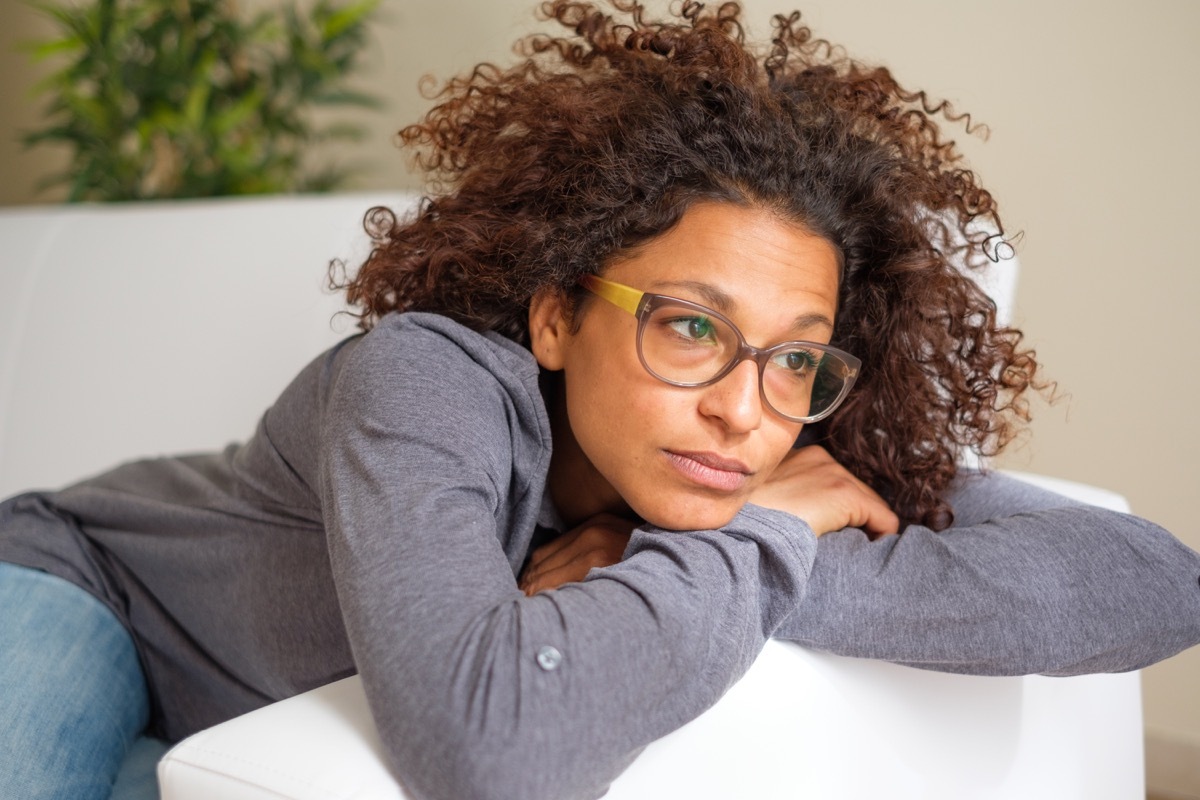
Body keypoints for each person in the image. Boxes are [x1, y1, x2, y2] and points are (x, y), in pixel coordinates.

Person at [2, 1, 1198, 799]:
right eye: (692, 325)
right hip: (80, 582)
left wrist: (709, 538)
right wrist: (760, 537)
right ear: (557, 315)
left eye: (795, 356)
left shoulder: (782, 447)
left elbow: (1159, 582)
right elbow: (488, 745)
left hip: (219, 721)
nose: (746, 410)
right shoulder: (419, 378)